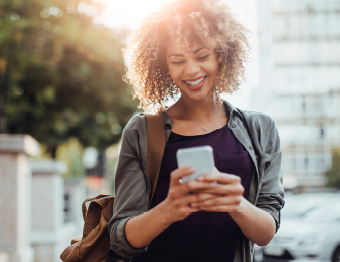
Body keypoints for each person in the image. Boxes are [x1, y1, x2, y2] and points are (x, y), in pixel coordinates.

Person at [108, 0, 284, 261]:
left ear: (221, 55)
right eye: (177, 60)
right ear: (164, 66)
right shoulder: (142, 132)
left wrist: (235, 203)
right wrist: (169, 208)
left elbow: (266, 232)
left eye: (202, 56)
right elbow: (121, 238)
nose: (191, 70)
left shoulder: (260, 129)